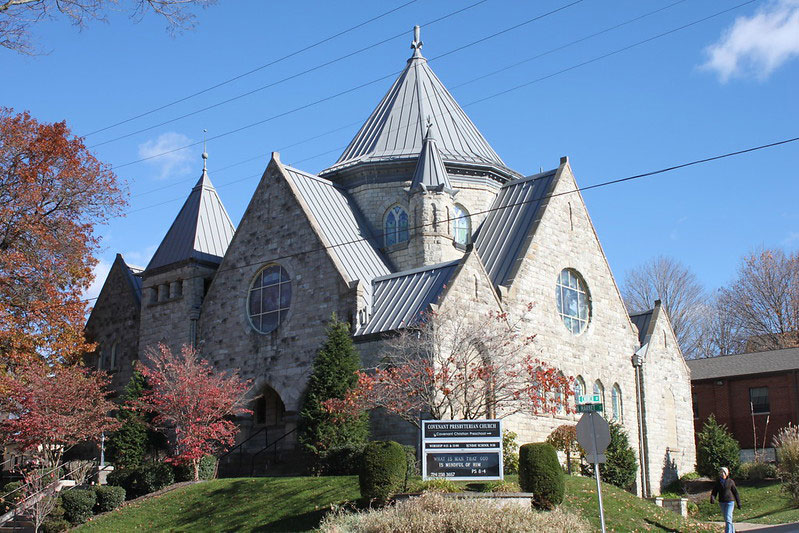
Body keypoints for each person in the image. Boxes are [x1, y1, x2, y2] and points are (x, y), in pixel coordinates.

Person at [710, 466, 741, 533]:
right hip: (722, 502)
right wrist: (712, 498)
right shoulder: (718, 482)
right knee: (727, 519)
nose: (721, 474)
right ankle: (732, 531)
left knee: (728, 518)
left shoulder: (730, 481)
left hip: (730, 502)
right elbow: (714, 491)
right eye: (720, 472)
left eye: (723, 472)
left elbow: (735, 492)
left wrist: (738, 503)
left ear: (726, 473)